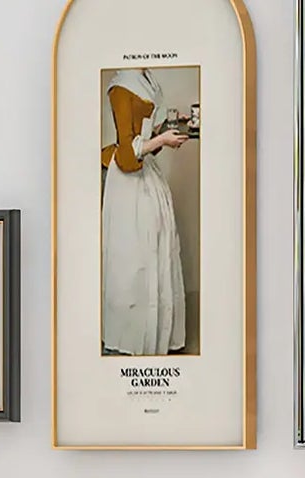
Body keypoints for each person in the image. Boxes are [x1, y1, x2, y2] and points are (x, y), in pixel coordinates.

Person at [100, 69, 190, 356]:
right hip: (128, 184)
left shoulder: (148, 79)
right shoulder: (121, 87)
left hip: (148, 175)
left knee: (156, 249)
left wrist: (169, 130)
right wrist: (163, 140)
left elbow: (146, 144)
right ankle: (130, 339)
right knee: (133, 255)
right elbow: (128, 154)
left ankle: (155, 335)